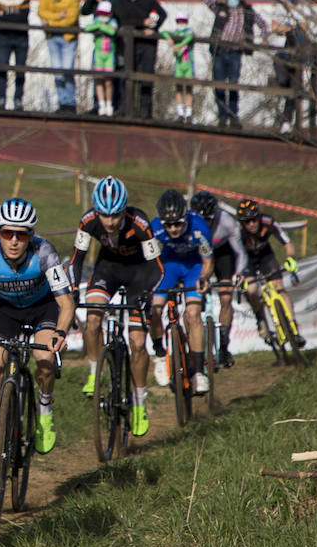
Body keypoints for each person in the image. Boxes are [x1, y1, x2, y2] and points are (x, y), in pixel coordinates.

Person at [0, 198, 75, 484]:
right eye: (7, 233)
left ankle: (44, 410)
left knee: (44, 359)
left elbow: (66, 302)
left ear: (31, 235)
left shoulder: (44, 253)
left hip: (44, 308)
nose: (14, 241)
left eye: (22, 234)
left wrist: (61, 333)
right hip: (7, 311)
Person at [70, 176, 164, 436]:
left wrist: (149, 292)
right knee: (92, 318)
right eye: (104, 215)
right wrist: (69, 290)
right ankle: (94, 372)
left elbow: (157, 266)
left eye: (115, 215)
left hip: (139, 275)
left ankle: (140, 402)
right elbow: (76, 261)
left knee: (136, 343)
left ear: (124, 209)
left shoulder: (141, 224)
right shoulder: (88, 222)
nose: (109, 222)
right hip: (108, 269)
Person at [148, 189, 214, 394]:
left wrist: (204, 278)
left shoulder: (199, 227)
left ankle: (198, 372)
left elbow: (208, 262)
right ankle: (159, 354)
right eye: (169, 225)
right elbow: (147, 259)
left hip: (194, 266)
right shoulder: (154, 228)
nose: (174, 228)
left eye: (178, 223)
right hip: (169, 265)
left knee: (193, 315)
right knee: (154, 310)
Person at [236, 198, 305, 347]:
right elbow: (234, 256)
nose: (252, 224)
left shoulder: (268, 222)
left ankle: (293, 328)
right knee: (252, 290)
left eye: (254, 219)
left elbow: (287, 243)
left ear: (259, 217)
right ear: (242, 223)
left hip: (266, 257)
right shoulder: (238, 232)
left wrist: (290, 258)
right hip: (247, 260)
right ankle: (260, 320)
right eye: (247, 222)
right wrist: (239, 275)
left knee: (279, 287)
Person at [189, 190, 246, 367]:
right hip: (198, 255)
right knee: (194, 301)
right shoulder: (188, 223)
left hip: (222, 254)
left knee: (226, 297)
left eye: (209, 219)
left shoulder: (227, 221)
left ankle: (223, 345)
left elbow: (240, 252)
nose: (205, 223)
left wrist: (239, 273)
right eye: (202, 219)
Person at [204, 0, 262, 127]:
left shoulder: (247, 11)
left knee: (234, 84)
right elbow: (208, 0)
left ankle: (233, 115)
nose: (231, 0)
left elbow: (263, 23)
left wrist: (264, 38)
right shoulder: (221, 9)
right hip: (220, 51)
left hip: (236, 52)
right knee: (219, 84)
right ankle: (222, 116)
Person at [110, 0, 167, 118]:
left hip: (148, 44)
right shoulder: (120, 2)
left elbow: (162, 14)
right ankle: (125, 106)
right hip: (129, 43)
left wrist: (154, 27)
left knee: (147, 75)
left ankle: (145, 109)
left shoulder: (148, 1)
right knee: (127, 74)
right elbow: (123, 19)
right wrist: (142, 22)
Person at [37, 0, 80, 113]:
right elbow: (41, 12)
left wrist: (49, 22)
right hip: (52, 37)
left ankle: (70, 103)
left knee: (67, 70)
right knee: (57, 72)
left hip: (68, 38)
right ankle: (62, 102)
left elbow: (70, 20)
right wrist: (57, 17)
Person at [0, 0, 31, 110]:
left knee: (20, 69)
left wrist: (5, 16)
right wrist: (13, 16)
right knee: (2, 67)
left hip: (21, 37)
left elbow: (23, 18)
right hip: (3, 37)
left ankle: (18, 100)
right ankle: (1, 99)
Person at [270, 0, 306, 134]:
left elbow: (303, 28)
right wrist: (290, 28)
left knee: (293, 87)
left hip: (296, 53)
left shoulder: (301, 10)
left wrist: (288, 28)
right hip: (281, 51)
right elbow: (275, 28)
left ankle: (287, 121)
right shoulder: (279, 9)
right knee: (283, 82)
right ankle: (281, 116)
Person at [84, 2, 119, 117]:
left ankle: (109, 104)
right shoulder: (97, 21)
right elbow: (88, 28)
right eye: (101, 13)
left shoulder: (113, 22)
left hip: (110, 55)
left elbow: (113, 31)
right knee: (99, 79)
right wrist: (99, 25)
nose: (102, 16)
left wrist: (101, 27)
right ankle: (101, 104)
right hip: (98, 55)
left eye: (105, 14)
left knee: (108, 81)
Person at [161, 13, 196, 122]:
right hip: (179, 64)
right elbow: (164, 32)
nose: (181, 23)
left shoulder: (189, 31)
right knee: (179, 88)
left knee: (189, 88)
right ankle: (180, 114)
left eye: (183, 21)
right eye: (179, 21)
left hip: (188, 64)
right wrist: (170, 40)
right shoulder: (176, 32)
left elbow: (190, 37)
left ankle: (189, 114)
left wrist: (179, 46)